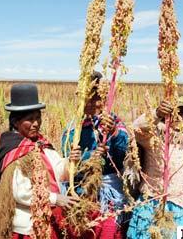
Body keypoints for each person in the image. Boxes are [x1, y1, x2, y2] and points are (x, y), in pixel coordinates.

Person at [0, 83, 82, 239]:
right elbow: (20, 192)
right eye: (30, 120)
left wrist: (70, 162)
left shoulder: (41, 143)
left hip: (48, 220)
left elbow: (58, 171)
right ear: (16, 122)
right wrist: (55, 199)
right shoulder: (13, 149)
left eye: (38, 118)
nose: (36, 123)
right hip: (27, 227)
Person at [127, 95, 183, 239]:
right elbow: (135, 128)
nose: (178, 116)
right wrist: (156, 113)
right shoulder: (154, 137)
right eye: (174, 112)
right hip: (155, 204)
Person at [62, 71, 131, 238]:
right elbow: (66, 164)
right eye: (88, 98)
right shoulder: (73, 129)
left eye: (97, 98)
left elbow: (126, 155)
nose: (92, 103)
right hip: (80, 195)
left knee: (108, 232)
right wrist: (83, 159)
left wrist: (114, 132)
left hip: (109, 197)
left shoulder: (113, 124)